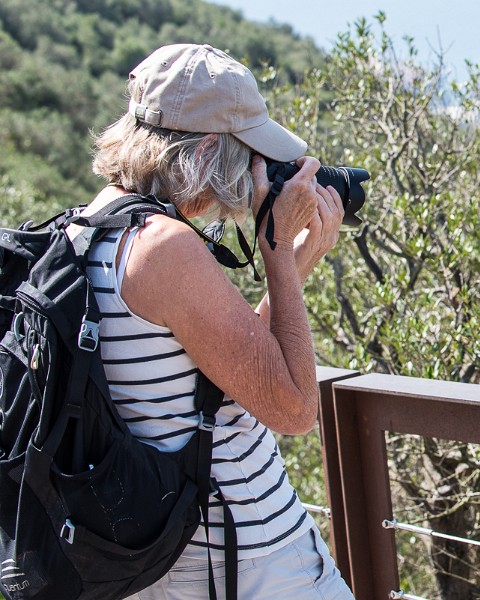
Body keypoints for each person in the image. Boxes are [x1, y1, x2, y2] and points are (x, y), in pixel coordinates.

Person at [72, 43, 355, 599]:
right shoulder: (164, 248)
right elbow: (294, 409)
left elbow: (217, 373)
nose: (253, 176)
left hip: (151, 563)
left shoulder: (87, 233)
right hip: (246, 560)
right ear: (206, 149)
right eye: (247, 153)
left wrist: (294, 263)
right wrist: (275, 256)